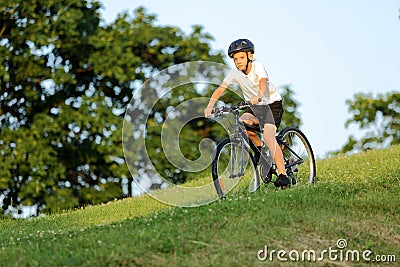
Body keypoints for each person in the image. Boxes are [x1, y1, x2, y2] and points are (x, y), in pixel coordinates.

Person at [204, 38, 290, 188]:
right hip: (254, 107)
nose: (238, 61)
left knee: (269, 137)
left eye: (241, 57)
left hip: (271, 105)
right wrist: (210, 106)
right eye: (235, 59)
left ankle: (283, 175)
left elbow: (263, 82)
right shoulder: (235, 73)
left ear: (250, 56)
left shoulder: (258, 67)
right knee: (242, 123)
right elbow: (220, 89)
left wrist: (258, 96)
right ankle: (261, 151)